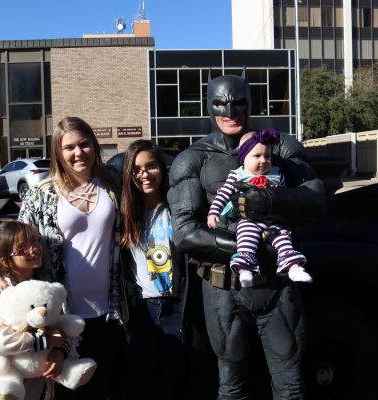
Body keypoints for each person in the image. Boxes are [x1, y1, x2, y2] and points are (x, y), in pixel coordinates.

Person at [167, 69, 326, 399]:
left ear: (251, 103)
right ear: (209, 106)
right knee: (232, 384)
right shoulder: (193, 159)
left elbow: (315, 198)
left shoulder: (278, 147)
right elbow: (184, 233)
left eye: (238, 103)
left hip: (277, 285)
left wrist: (271, 199)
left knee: (291, 383)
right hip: (225, 288)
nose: (230, 112)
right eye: (220, 104)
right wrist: (247, 249)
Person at [0, 117, 123, 400]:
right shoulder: (42, 194)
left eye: (84, 144)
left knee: (103, 388)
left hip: (109, 312)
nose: (78, 152)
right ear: (58, 152)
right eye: (69, 147)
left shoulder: (112, 184)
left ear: (94, 146)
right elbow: (16, 239)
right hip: (59, 315)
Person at [118, 139, 186, 400]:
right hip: (141, 309)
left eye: (151, 166)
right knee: (141, 384)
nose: (144, 174)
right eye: (136, 169)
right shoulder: (123, 213)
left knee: (172, 384)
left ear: (162, 168)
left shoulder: (177, 206)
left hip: (175, 307)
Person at [207, 128, 312, 287]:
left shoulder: (277, 174)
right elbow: (223, 194)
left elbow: (286, 199)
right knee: (246, 240)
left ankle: (294, 267)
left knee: (284, 238)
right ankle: (245, 271)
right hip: (249, 220)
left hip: (274, 220)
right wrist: (214, 212)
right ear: (243, 158)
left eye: (267, 156)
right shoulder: (237, 175)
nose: (263, 160)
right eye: (257, 156)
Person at [0, 221, 66, 400]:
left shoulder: (44, 284)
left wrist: (60, 351)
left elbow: (59, 325)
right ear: (5, 261)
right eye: (23, 248)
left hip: (40, 381)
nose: (34, 249)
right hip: (2, 384)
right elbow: (0, 342)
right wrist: (47, 341)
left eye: (36, 241)